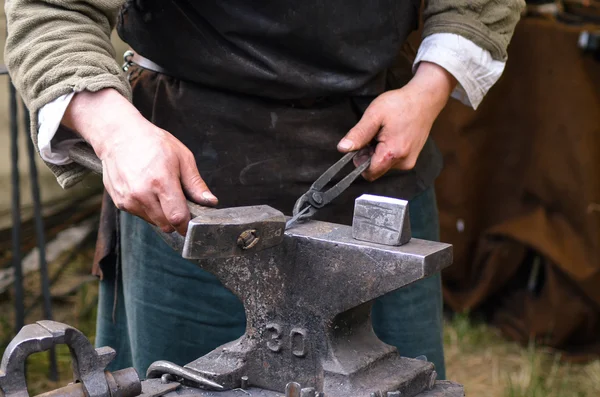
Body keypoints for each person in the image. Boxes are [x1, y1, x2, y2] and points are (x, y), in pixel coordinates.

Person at [5, 0, 524, 381]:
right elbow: (51, 10)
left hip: (376, 183)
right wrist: (116, 132)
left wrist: (428, 89)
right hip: (185, 197)